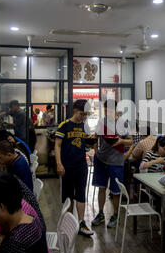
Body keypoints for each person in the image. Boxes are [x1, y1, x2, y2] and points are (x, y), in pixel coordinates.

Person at [55, 99, 94, 237]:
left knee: (81, 194)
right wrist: (59, 163)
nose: (83, 117)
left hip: (81, 165)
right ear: (75, 111)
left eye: (85, 115)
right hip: (67, 166)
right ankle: (70, 222)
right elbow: (57, 145)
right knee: (68, 195)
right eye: (82, 114)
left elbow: (88, 144)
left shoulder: (85, 126)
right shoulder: (64, 125)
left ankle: (81, 222)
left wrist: (92, 143)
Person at [91, 100, 133, 229]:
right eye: (105, 110)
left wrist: (121, 140)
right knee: (101, 188)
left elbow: (130, 141)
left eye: (109, 110)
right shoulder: (101, 122)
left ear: (115, 110)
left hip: (116, 162)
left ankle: (115, 215)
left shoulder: (122, 123)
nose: (107, 113)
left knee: (115, 191)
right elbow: (95, 137)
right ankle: (100, 213)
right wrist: (96, 152)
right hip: (101, 160)